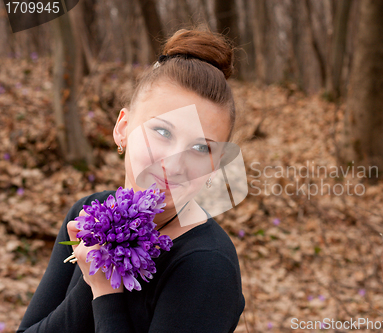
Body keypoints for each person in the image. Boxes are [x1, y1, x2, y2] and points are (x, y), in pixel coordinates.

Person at [17, 28, 246, 333]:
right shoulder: (85, 214)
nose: (174, 164)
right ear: (122, 128)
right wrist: (95, 274)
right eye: (162, 132)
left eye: (200, 148)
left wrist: (105, 292)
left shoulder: (207, 267)